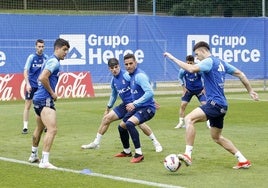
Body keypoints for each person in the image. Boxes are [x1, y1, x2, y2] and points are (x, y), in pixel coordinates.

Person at [164, 41, 259, 169]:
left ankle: (187, 154)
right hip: (222, 106)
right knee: (216, 137)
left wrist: (172, 58)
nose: (197, 58)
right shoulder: (221, 63)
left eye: (197, 55)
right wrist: (250, 91)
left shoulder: (209, 62)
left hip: (214, 104)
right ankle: (243, 160)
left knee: (188, 119)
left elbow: (191, 68)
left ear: (203, 51)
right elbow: (241, 74)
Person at [81, 58, 162, 152]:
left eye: (116, 67)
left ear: (119, 66)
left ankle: (156, 142)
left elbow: (141, 87)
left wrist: (152, 100)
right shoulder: (113, 81)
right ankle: (96, 143)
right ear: (109, 69)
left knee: (139, 124)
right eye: (112, 68)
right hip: (125, 105)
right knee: (106, 118)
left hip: (135, 105)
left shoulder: (127, 75)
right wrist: (108, 107)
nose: (114, 69)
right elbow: (114, 94)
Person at [28, 38, 70, 169]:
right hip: (44, 99)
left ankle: (33, 155)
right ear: (57, 48)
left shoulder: (49, 59)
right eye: (64, 50)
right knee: (52, 129)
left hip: (38, 99)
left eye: (67, 50)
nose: (66, 53)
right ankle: (45, 161)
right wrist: (52, 93)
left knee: (39, 128)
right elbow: (42, 77)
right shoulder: (54, 62)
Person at [115, 53, 157, 163]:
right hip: (138, 108)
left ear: (136, 63)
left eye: (131, 63)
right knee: (121, 127)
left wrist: (134, 103)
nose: (128, 66)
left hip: (148, 108)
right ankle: (127, 151)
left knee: (129, 124)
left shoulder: (139, 76)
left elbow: (150, 92)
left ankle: (139, 154)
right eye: (126, 64)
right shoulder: (131, 76)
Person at [175, 55, 210, 129]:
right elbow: (179, 77)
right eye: (188, 63)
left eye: (191, 63)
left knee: (205, 105)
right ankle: (181, 122)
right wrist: (183, 87)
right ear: (186, 62)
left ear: (193, 62)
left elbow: (206, 78)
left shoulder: (198, 69)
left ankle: (209, 123)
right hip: (189, 90)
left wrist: (204, 88)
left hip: (199, 90)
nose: (189, 65)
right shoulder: (183, 70)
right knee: (183, 105)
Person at [22, 39, 48, 134]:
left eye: (42, 46)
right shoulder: (31, 57)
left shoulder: (46, 58)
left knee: (44, 106)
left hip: (41, 86)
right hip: (32, 85)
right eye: (39, 46)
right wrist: (27, 84)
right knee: (28, 105)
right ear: (36, 47)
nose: (41, 48)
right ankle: (25, 127)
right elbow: (25, 71)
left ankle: (45, 125)